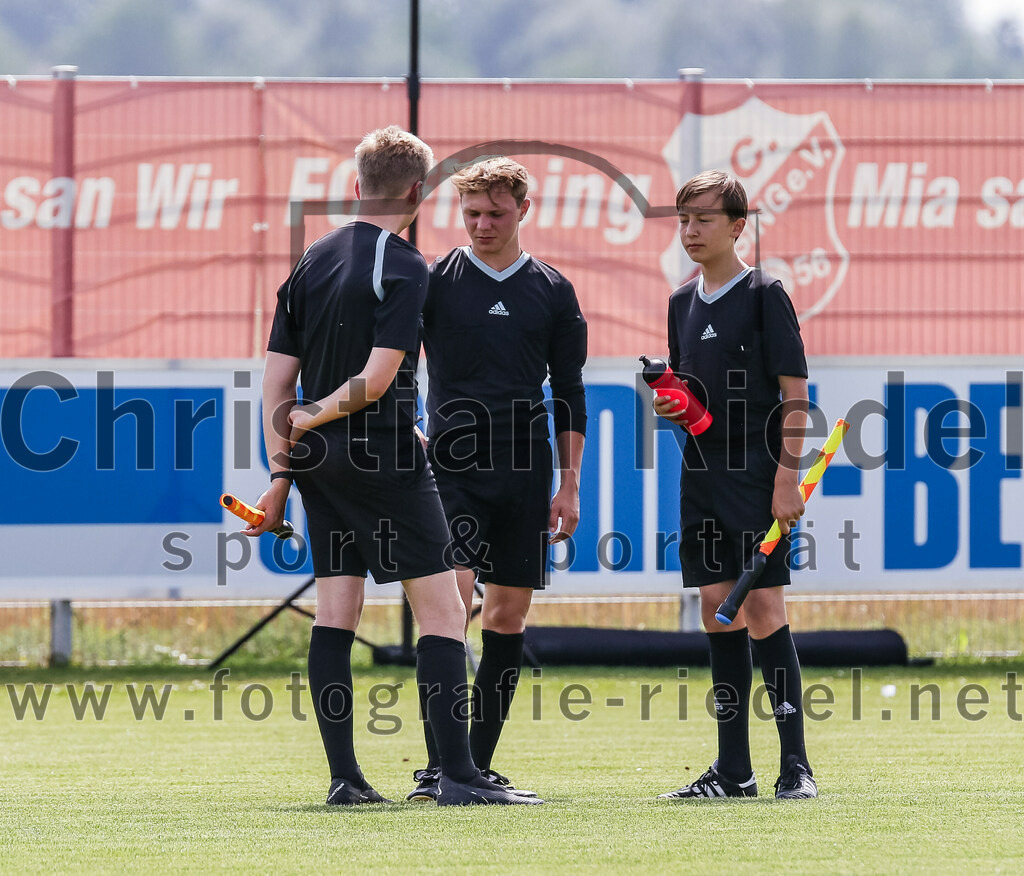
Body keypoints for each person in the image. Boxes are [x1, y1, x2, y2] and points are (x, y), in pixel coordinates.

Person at [247, 126, 539, 807]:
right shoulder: (407, 267)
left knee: (336, 610)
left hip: (317, 464)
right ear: (419, 192)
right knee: (443, 609)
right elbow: (378, 381)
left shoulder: (309, 260)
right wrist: (318, 414)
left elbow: (273, 383)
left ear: (356, 186)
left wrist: (282, 472)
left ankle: (346, 781)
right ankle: (461, 779)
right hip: (379, 454)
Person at [406, 157, 588, 801]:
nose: (483, 224)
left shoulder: (552, 289)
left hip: (523, 466)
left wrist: (568, 484)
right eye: (472, 213)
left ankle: (473, 768)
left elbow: (569, 391)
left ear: (523, 211)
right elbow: (394, 361)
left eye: (496, 213)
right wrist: (408, 425)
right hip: (449, 466)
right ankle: (441, 767)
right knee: (449, 608)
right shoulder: (434, 281)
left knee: (505, 618)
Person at [653, 170, 817, 800]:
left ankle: (794, 766)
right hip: (700, 474)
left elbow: (795, 395)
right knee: (716, 613)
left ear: (737, 225)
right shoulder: (678, 302)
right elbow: (691, 393)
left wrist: (786, 477)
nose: (691, 231)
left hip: (756, 475)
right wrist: (674, 406)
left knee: (763, 609)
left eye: (704, 219)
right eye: (683, 219)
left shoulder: (764, 292)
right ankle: (733, 771)